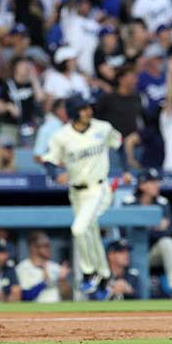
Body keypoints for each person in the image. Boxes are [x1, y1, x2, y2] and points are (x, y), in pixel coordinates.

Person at [40, 95, 122, 299]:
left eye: (88, 108)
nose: (89, 111)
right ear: (74, 112)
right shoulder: (62, 136)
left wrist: (126, 170)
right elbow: (49, 160)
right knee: (90, 231)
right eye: (84, 109)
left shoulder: (102, 128)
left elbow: (117, 143)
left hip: (99, 188)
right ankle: (104, 276)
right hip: (76, 192)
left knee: (78, 229)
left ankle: (88, 273)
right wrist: (55, 174)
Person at [121, 168, 172, 299]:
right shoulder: (128, 202)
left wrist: (144, 226)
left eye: (157, 182)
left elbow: (166, 231)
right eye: (152, 182)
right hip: (133, 252)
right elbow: (124, 231)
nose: (157, 185)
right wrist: (153, 226)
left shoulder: (163, 202)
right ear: (142, 185)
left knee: (167, 243)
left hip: (152, 251)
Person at [15, 232, 71, 303]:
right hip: (34, 311)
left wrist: (62, 280)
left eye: (49, 245)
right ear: (33, 247)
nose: (49, 249)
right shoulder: (22, 268)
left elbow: (67, 296)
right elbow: (26, 296)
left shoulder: (55, 267)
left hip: (56, 309)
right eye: (45, 246)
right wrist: (44, 283)